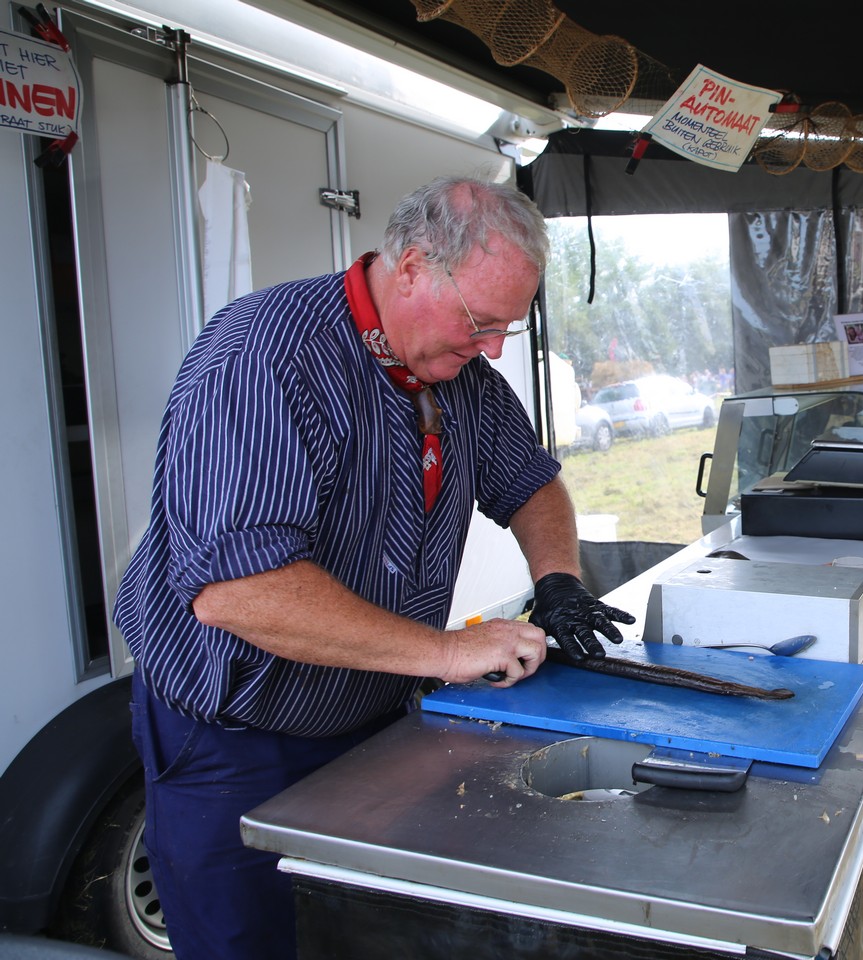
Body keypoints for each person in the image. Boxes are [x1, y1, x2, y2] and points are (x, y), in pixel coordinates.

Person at [112, 176, 634, 960]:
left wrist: (557, 577)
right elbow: (238, 591)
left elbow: (532, 484)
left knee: (366, 933)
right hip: (235, 741)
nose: (493, 349)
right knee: (248, 943)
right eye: (480, 322)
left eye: (507, 328)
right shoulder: (266, 357)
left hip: (373, 719)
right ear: (414, 266)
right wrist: (448, 652)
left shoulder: (461, 377)